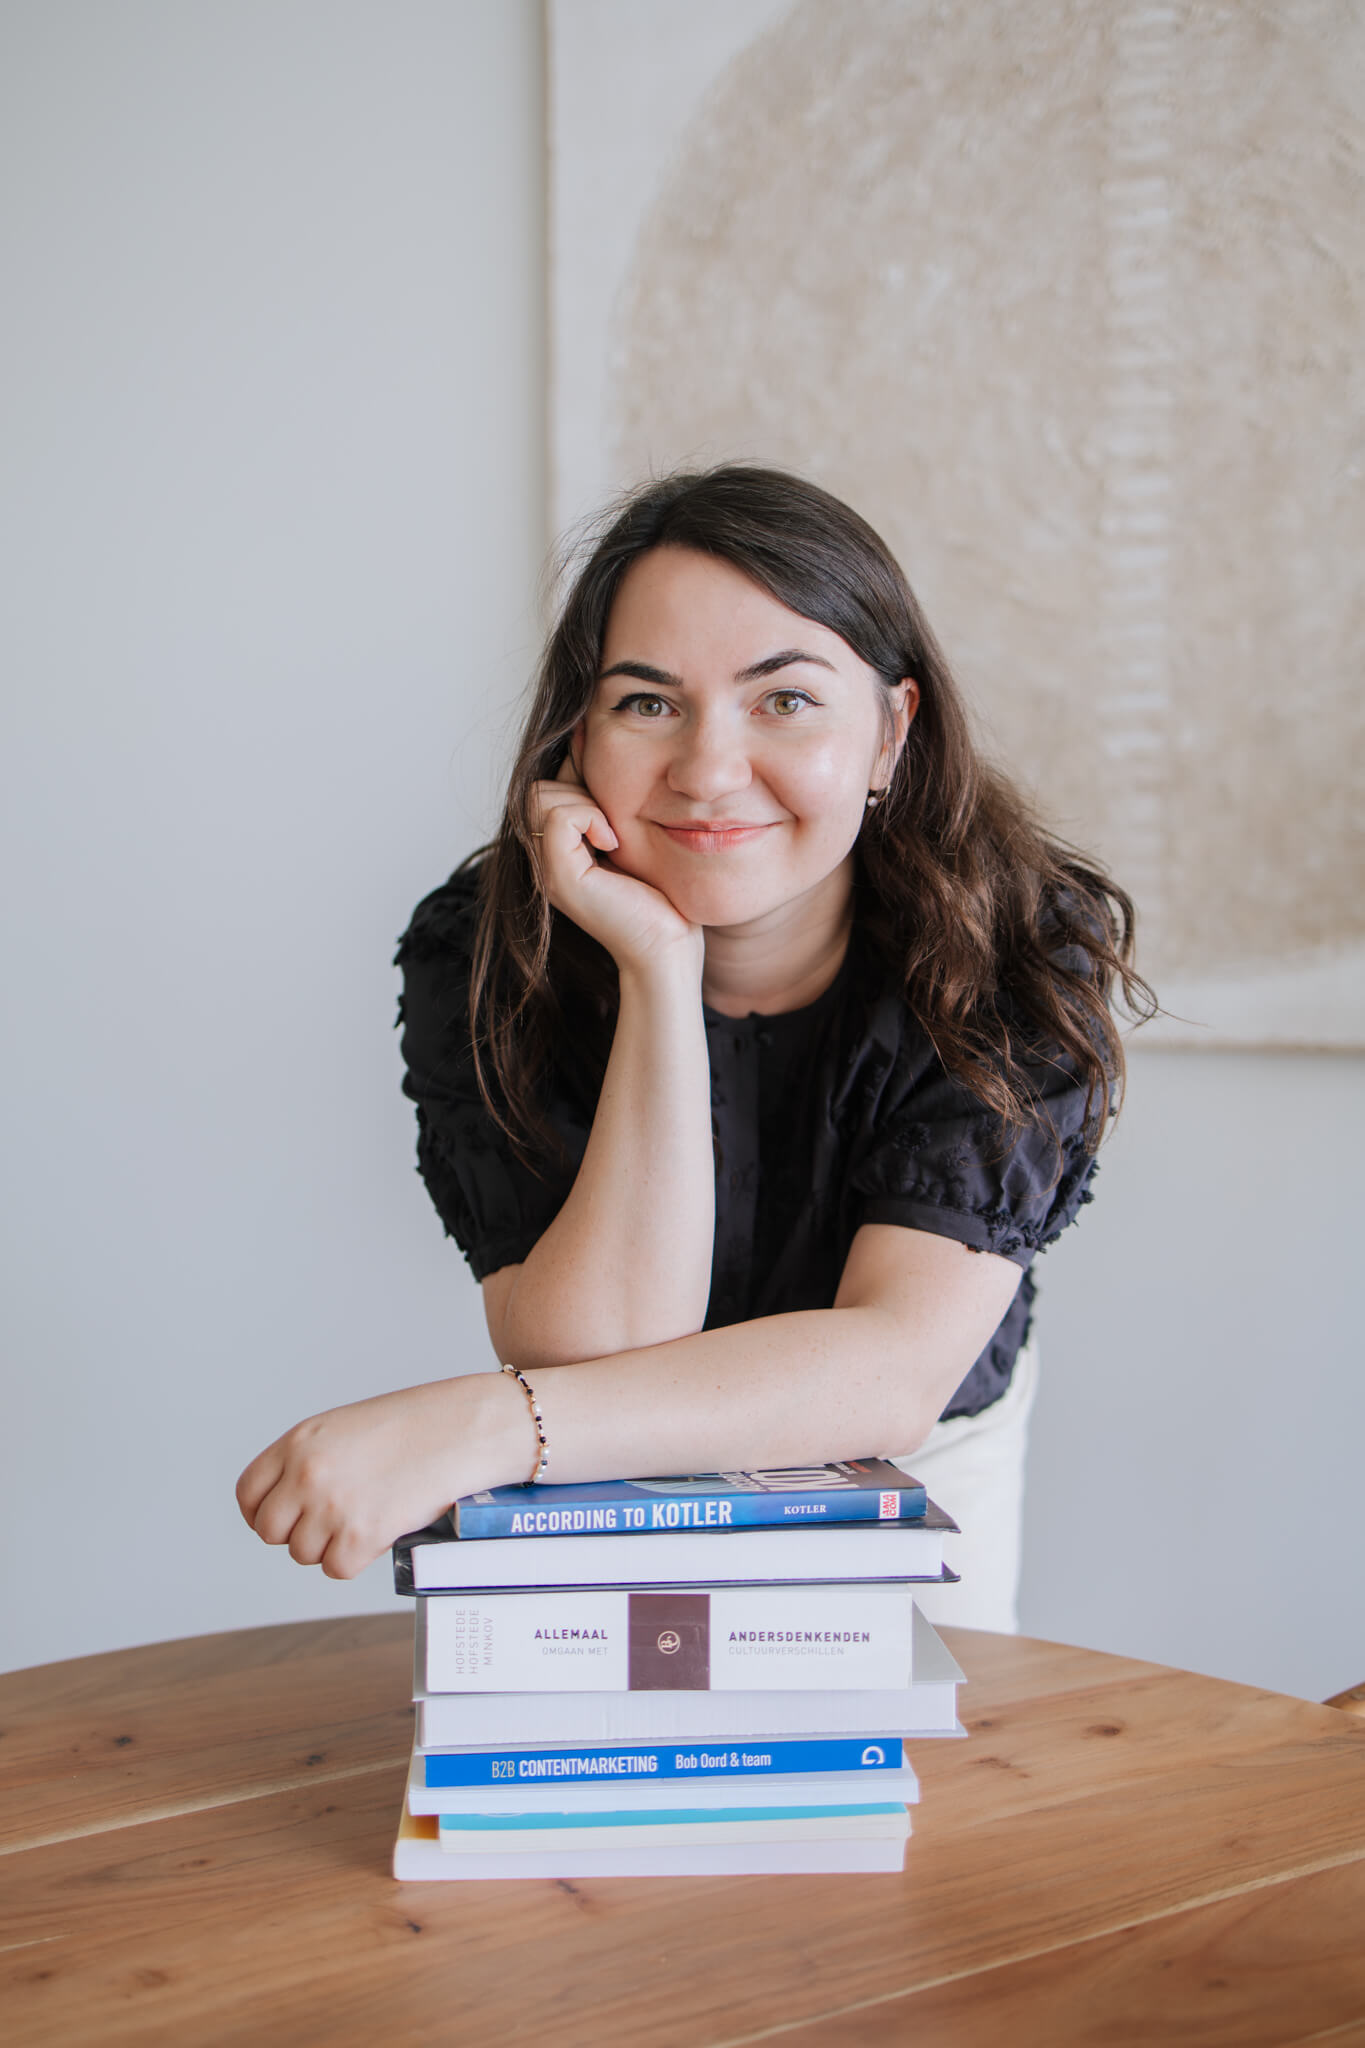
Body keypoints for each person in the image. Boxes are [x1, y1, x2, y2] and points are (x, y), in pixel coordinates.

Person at [236, 465, 1152, 1625]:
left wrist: (479, 1423)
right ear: (578, 734)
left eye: (785, 699)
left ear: (891, 731)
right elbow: (603, 1349)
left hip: (909, 1478)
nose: (710, 771)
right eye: (648, 702)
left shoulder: (1012, 942)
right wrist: (658, 967)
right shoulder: (485, 946)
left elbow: (893, 1369)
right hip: (592, 1463)